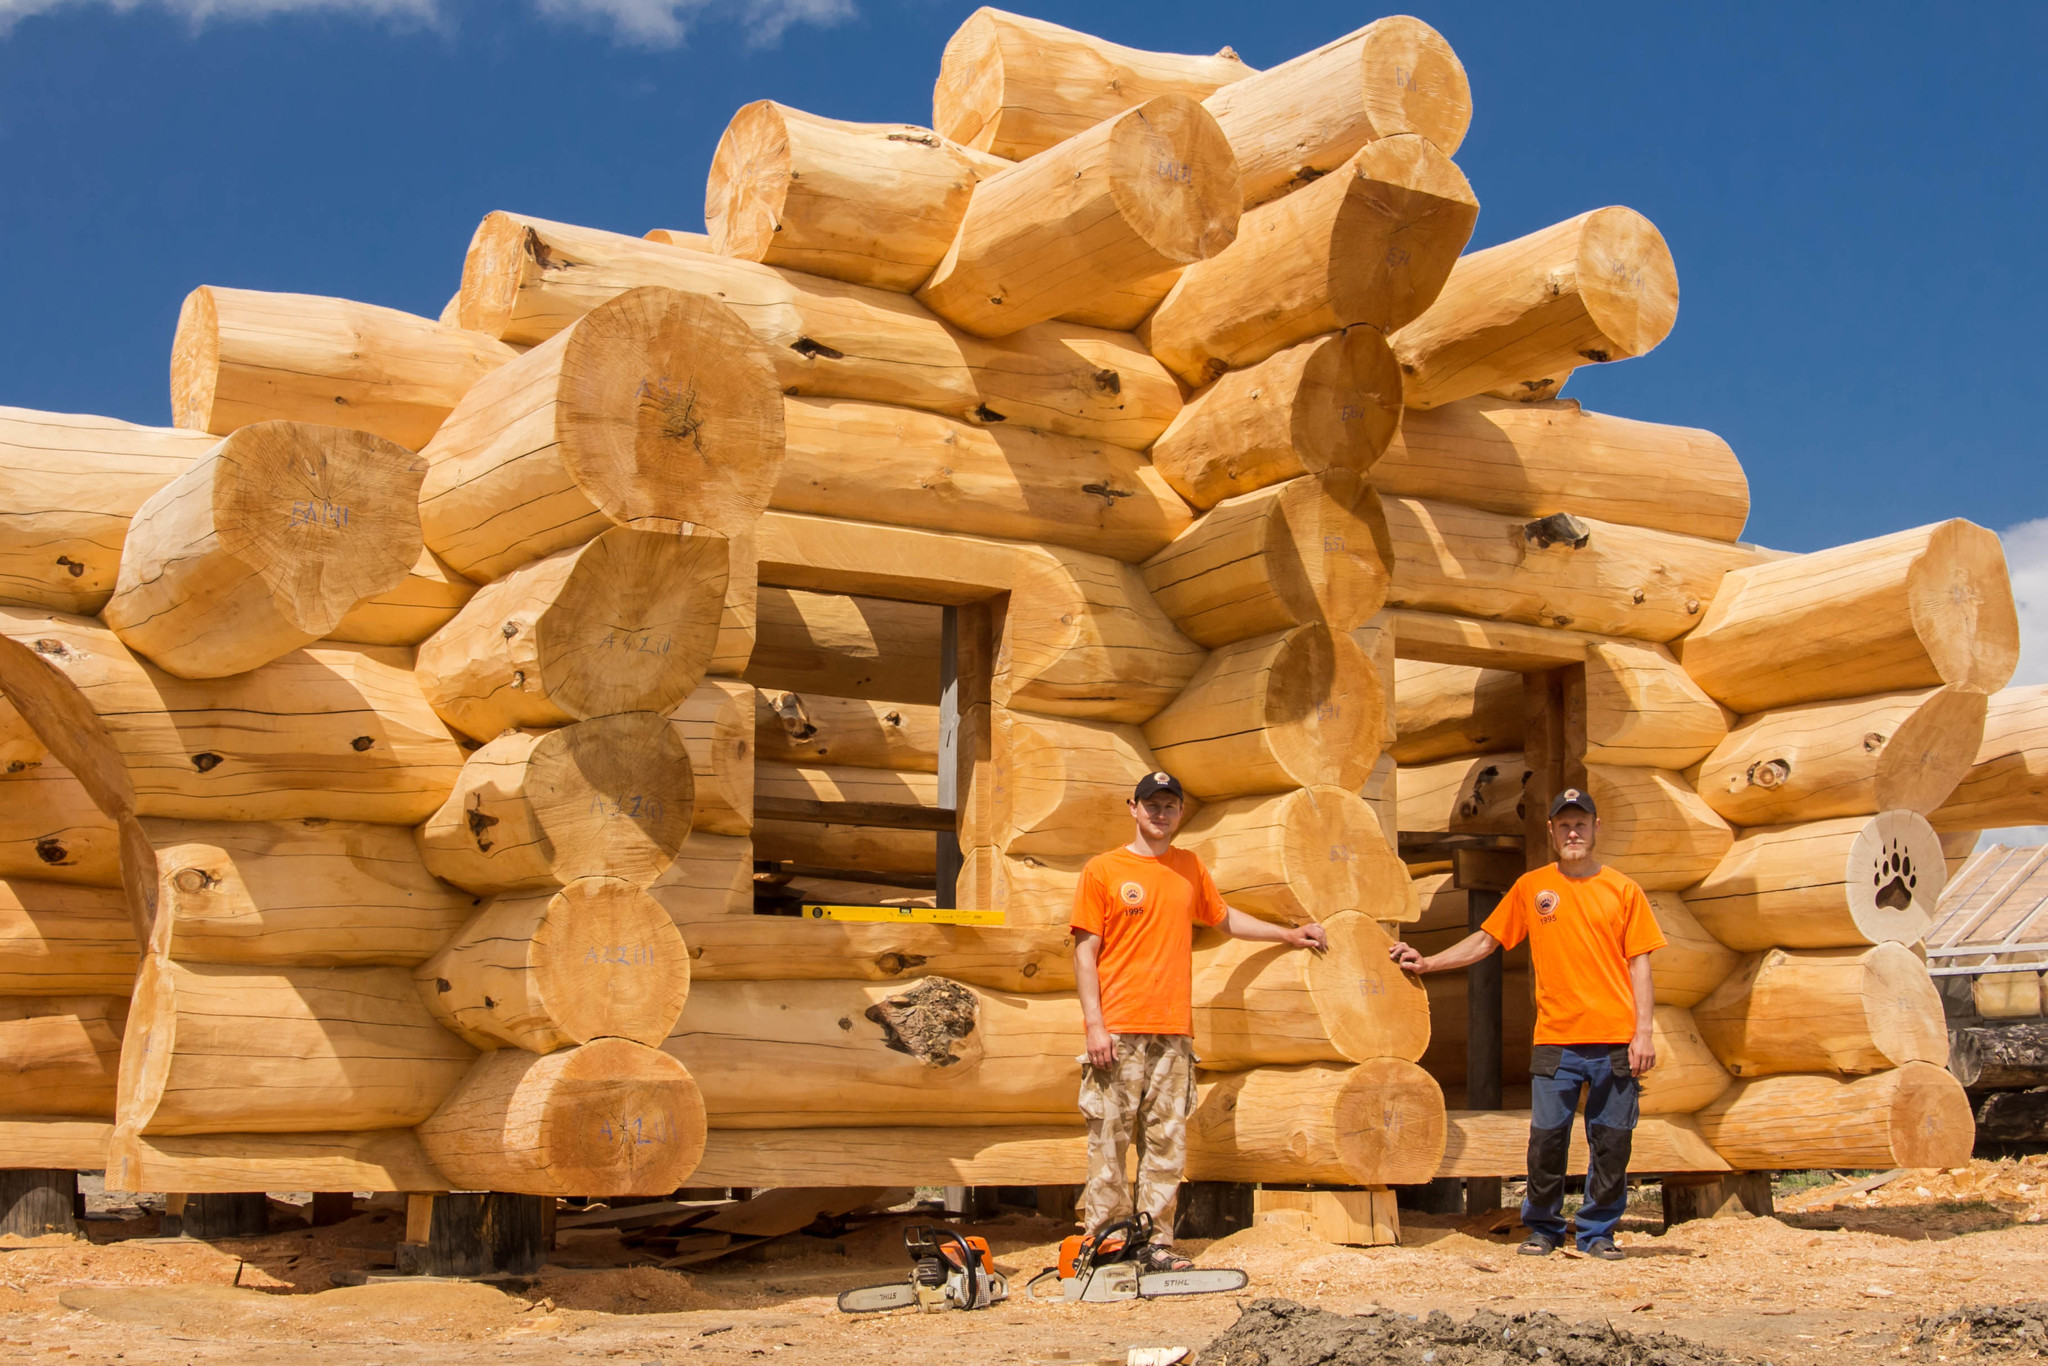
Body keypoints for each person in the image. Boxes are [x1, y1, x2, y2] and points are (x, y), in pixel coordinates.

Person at [1387, 787, 1664, 1261]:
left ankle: (1598, 1233)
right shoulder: (1532, 887)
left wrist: (1643, 1033)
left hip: (1616, 1039)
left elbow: (1640, 965)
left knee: (1613, 1141)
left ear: (1596, 828)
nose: (1573, 832)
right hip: (1557, 1038)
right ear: (1552, 832)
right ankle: (1544, 1228)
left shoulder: (1623, 890)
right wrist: (1428, 963)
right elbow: (1487, 941)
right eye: (1564, 825)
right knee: (1547, 1140)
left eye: (1581, 824)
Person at [1070, 770, 1328, 1271]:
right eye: (1151, 805)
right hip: (1118, 1029)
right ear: (1133, 808)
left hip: (1174, 1032)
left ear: (1180, 812)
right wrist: (1094, 1025)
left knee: (1166, 1144)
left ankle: (1155, 1245)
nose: (1160, 813)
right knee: (1108, 1141)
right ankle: (1103, 1244)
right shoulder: (1102, 870)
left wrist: (1288, 935)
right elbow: (1085, 953)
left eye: (1169, 805)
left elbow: (1224, 918)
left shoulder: (1189, 867)